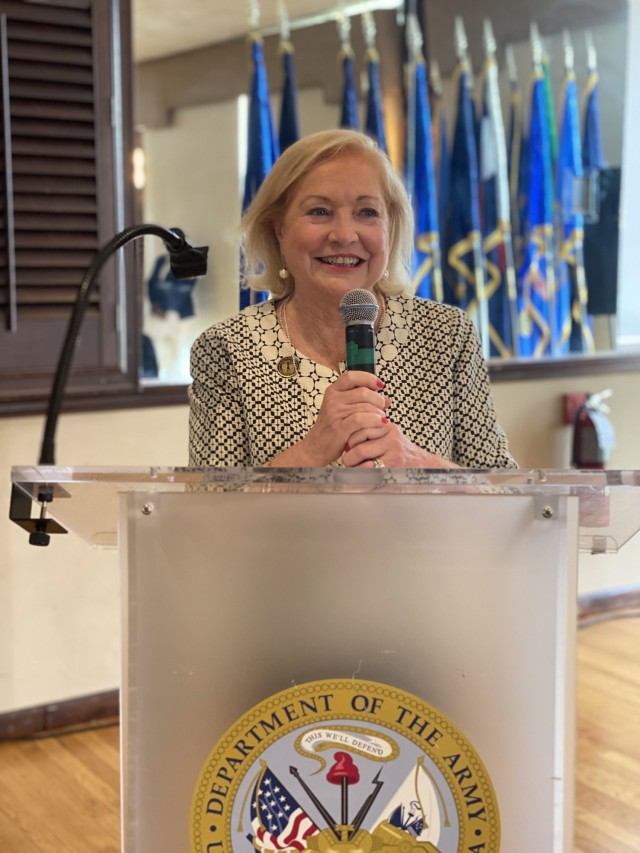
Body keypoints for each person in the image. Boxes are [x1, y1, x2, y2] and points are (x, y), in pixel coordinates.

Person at [189, 129, 516, 469]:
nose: (345, 235)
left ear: (391, 226)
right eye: (319, 211)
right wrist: (312, 452)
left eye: (367, 213)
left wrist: (420, 464)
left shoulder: (447, 334)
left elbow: (505, 494)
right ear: (279, 228)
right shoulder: (227, 348)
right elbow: (210, 511)